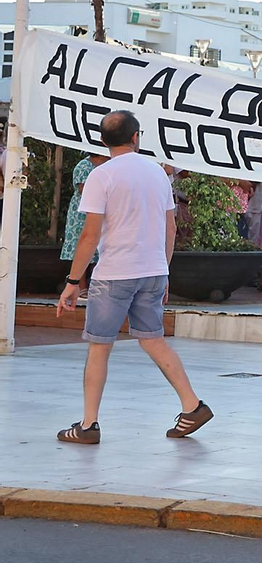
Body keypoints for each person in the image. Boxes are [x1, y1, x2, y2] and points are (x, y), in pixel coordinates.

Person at [53, 111, 211, 444]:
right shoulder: (158, 173)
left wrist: (73, 281)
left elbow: (89, 235)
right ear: (136, 136)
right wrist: (164, 270)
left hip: (114, 273)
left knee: (99, 347)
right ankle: (192, 405)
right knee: (153, 339)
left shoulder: (100, 175)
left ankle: (88, 425)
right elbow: (170, 228)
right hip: (153, 270)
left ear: (102, 140)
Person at [60, 152, 108, 303]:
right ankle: (81, 288)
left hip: (101, 212)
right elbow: (82, 188)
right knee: (81, 248)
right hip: (81, 215)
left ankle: (96, 287)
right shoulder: (84, 165)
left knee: (99, 251)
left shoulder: (109, 166)